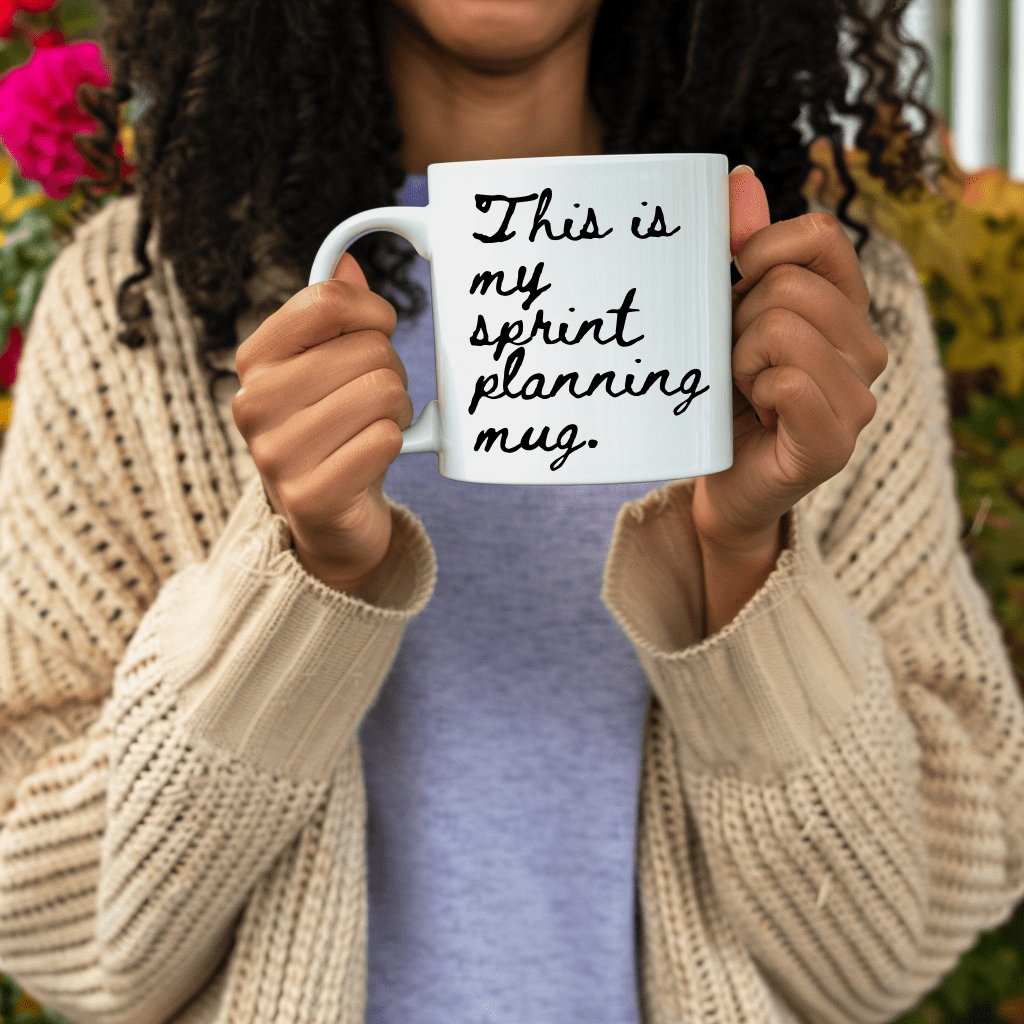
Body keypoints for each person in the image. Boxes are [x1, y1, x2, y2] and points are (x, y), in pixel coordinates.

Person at [0, 0, 1022, 1022]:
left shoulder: (816, 320)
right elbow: (65, 930)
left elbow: (873, 963)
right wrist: (299, 583)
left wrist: (741, 561)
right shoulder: (143, 304)